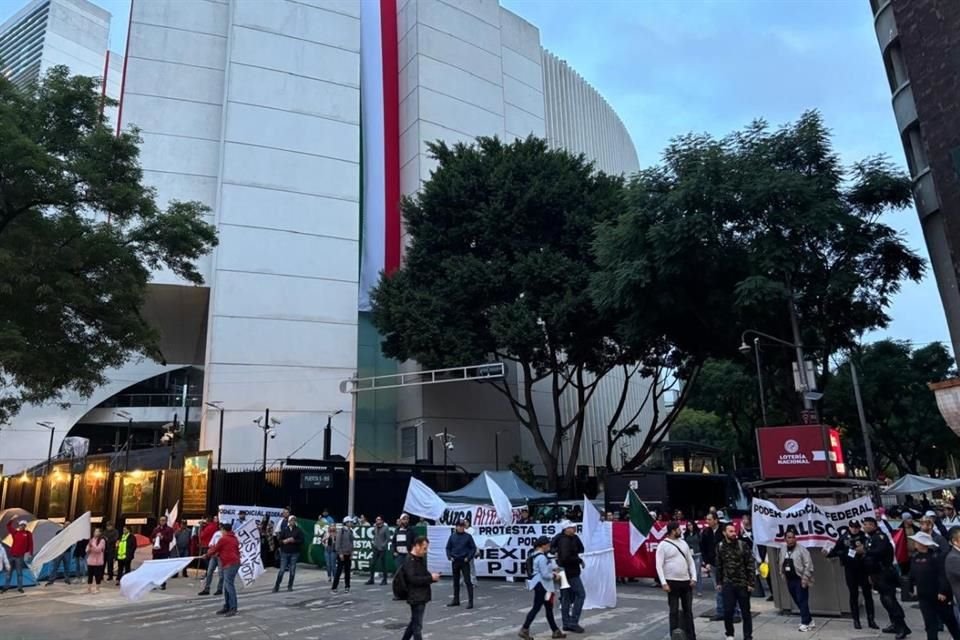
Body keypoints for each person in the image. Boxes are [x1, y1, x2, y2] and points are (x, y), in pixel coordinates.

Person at [909, 530, 960, 640]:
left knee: (950, 621)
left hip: (938, 596)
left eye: (916, 542)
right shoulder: (915, 557)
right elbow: (913, 575)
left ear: (922, 543)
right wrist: (912, 587)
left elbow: (943, 575)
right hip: (924, 596)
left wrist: (942, 591)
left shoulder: (936, 557)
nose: (914, 544)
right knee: (930, 624)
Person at [826, 519, 877, 629]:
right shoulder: (843, 538)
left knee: (867, 594)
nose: (854, 529)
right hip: (850, 569)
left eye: (856, 527)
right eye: (852, 527)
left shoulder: (864, 537)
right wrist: (829, 553)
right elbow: (835, 551)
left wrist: (864, 550)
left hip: (863, 569)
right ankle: (856, 620)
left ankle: (871, 619)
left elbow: (872, 549)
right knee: (853, 595)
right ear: (849, 527)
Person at [864, 516, 909, 639]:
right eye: (865, 524)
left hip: (885, 573)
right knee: (885, 600)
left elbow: (879, 551)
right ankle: (894, 624)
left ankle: (902, 627)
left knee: (890, 601)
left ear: (874, 525)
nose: (866, 526)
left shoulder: (880, 537)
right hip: (877, 574)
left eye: (868, 524)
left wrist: (865, 552)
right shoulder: (870, 538)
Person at [655, 521, 698, 640]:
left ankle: (691, 636)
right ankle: (674, 635)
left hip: (685, 582)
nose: (681, 531)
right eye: (678, 529)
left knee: (688, 611)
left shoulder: (683, 543)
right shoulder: (662, 545)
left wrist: (693, 577)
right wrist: (663, 582)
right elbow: (659, 565)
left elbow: (690, 561)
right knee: (673, 611)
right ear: (673, 530)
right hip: (672, 582)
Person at [519, 535, 566, 639]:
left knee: (547, 608)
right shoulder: (542, 558)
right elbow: (545, 574)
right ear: (543, 545)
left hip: (540, 586)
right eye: (548, 544)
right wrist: (555, 575)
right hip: (545, 587)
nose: (549, 546)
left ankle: (555, 631)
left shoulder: (536, 555)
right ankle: (524, 629)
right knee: (539, 608)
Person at [715, 521, 754, 640]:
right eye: (730, 531)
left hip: (742, 584)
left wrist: (751, 583)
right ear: (724, 533)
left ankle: (747, 636)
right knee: (728, 611)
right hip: (728, 584)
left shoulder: (742, 545)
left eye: (734, 531)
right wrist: (719, 582)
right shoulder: (720, 546)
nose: (733, 533)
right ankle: (730, 634)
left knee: (746, 612)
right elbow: (719, 565)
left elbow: (750, 564)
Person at [400, 535, 439, 640]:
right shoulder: (410, 560)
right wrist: (430, 578)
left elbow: (423, 575)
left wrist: (432, 578)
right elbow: (413, 579)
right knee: (417, 626)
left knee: (414, 623)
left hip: (421, 595)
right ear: (417, 546)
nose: (425, 551)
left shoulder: (419, 559)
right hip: (416, 596)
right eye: (424, 548)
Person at [780, 529, 815, 632]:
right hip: (789, 579)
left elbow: (808, 564)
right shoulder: (783, 550)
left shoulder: (802, 550)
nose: (791, 540)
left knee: (802, 600)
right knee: (796, 600)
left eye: (793, 537)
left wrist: (805, 578)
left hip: (800, 579)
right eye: (789, 537)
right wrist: (782, 574)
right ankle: (809, 619)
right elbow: (781, 563)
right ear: (785, 539)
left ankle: (805, 622)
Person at [556, 520, 586, 634]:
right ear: (566, 529)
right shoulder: (564, 540)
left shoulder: (567, 538)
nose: (574, 529)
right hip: (570, 572)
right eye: (572, 527)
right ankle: (573, 622)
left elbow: (580, 548)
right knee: (580, 594)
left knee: (566, 598)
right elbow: (565, 558)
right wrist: (578, 560)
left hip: (565, 572)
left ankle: (567, 623)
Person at [206, 521, 241, 617]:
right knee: (227, 585)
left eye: (222, 530)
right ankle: (227, 606)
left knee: (229, 585)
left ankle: (233, 607)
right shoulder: (234, 538)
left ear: (224, 530)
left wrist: (207, 554)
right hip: (234, 563)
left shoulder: (224, 539)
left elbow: (215, 549)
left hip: (230, 564)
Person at [445, 519, 477, 609]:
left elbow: (473, 548)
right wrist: (449, 556)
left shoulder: (468, 537)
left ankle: (470, 602)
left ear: (464, 527)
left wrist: (468, 557)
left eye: (462, 526)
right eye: (459, 526)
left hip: (464, 561)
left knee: (467, 581)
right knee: (455, 582)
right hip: (455, 561)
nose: (460, 527)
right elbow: (448, 548)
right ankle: (456, 600)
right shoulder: (452, 537)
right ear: (456, 527)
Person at [700, 512, 726, 621]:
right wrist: (706, 563)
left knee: (729, 587)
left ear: (716, 520)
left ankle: (734, 611)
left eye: (710, 519)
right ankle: (720, 611)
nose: (708, 522)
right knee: (718, 588)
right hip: (713, 564)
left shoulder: (724, 530)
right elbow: (703, 549)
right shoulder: (706, 532)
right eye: (707, 519)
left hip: (725, 564)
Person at [274, 515, 304, 592]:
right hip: (285, 552)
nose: (292, 522)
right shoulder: (285, 530)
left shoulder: (298, 530)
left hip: (294, 553)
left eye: (294, 521)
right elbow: (279, 540)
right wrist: (284, 541)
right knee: (282, 570)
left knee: (292, 570)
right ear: (289, 522)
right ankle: (277, 586)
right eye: (291, 521)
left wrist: (294, 541)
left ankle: (290, 586)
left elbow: (301, 541)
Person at [2, 520, 32, 594]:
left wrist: (30, 553)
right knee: (9, 573)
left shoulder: (28, 534)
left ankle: (20, 588)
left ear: (25, 526)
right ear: (19, 525)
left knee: (19, 573)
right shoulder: (15, 532)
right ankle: (5, 587)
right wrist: (12, 519)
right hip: (12, 556)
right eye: (20, 525)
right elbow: (8, 526)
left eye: (23, 525)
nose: (21, 526)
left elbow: (31, 544)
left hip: (20, 557)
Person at [199, 523, 225, 596]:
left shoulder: (226, 535)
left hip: (220, 556)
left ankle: (219, 589)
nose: (220, 527)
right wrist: (211, 548)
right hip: (214, 555)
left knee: (221, 574)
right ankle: (206, 589)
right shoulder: (216, 533)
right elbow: (211, 542)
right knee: (209, 571)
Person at [332, 517, 355, 593]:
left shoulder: (350, 531)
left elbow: (352, 543)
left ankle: (347, 586)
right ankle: (334, 587)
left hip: (348, 554)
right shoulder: (341, 531)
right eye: (350, 522)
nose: (351, 524)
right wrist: (340, 553)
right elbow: (337, 544)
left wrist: (352, 553)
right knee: (339, 571)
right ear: (346, 522)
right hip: (342, 554)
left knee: (347, 571)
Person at [151, 515, 174, 591]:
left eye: (163, 520)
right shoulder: (156, 529)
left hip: (164, 551)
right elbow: (151, 538)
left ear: (166, 521)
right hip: (156, 551)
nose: (162, 522)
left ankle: (163, 584)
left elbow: (170, 539)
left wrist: (162, 537)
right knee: (155, 568)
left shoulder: (169, 529)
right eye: (161, 520)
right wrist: (153, 540)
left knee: (162, 568)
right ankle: (155, 583)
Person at [367, 515, 390, 586]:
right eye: (376, 520)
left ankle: (385, 580)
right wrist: (373, 542)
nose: (377, 521)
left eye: (379, 519)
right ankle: (371, 579)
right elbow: (375, 536)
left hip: (382, 549)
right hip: (376, 548)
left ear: (382, 521)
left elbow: (388, 538)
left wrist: (384, 545)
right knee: (372, 563)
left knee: (383, 565)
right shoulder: (375, 527)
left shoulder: (386, 528)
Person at [684, 521, 703, 597]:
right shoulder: (686, 534)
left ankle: (699, 590)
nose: (689, 527)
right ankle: (689, 589)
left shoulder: (698, 533)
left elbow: (701, 543)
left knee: (697, 573)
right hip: (689, 555)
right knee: (689, 572)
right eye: (688, 525)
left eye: (691, 525)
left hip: (697, 554)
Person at [85, 528, 106, 594]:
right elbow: (87, 550)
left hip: (98, 561)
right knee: (90, 575)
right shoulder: (92, 540)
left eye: (97, 531)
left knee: (97, 575)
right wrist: (89, 548)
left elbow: (98, 549)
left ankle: (97, 588)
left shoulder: (102, 540)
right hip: (91, 560)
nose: (95, 533)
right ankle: (89, 588)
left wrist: (92, 545)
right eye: (95, 531)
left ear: (100, 533)